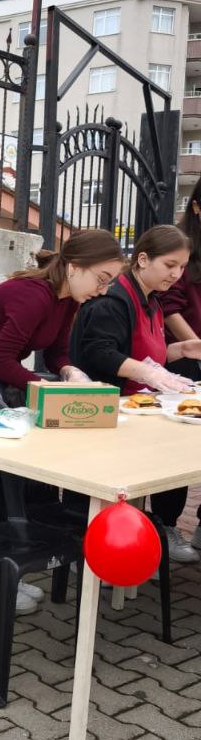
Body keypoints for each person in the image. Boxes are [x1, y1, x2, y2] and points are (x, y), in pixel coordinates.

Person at [0, 228, 126, 612]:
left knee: (8, 477)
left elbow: (57, 351)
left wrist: (70, 372)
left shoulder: (66, 301)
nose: (103, 290)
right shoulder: (33, 297)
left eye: (109, 282)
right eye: (101, 279)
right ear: (75, 267)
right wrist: (51, 390)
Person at [70, 224, 201, 562]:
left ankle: (158, 530)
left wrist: (182, 350)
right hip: (104, 410)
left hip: (137, 409)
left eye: (183, 267)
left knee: (176, 449)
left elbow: (147, 352)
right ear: (143, 259)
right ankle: (103, 545)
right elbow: (100, 352)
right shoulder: (113, 299)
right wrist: (148, 372)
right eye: (170, 265)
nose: (176, 274)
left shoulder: (152, 300)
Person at [157, 181, 201, 554]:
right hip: (186, 362)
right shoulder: (180, 248)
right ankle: (167, 527)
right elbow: (169, 308)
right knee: (176, 450)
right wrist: (197, 349)